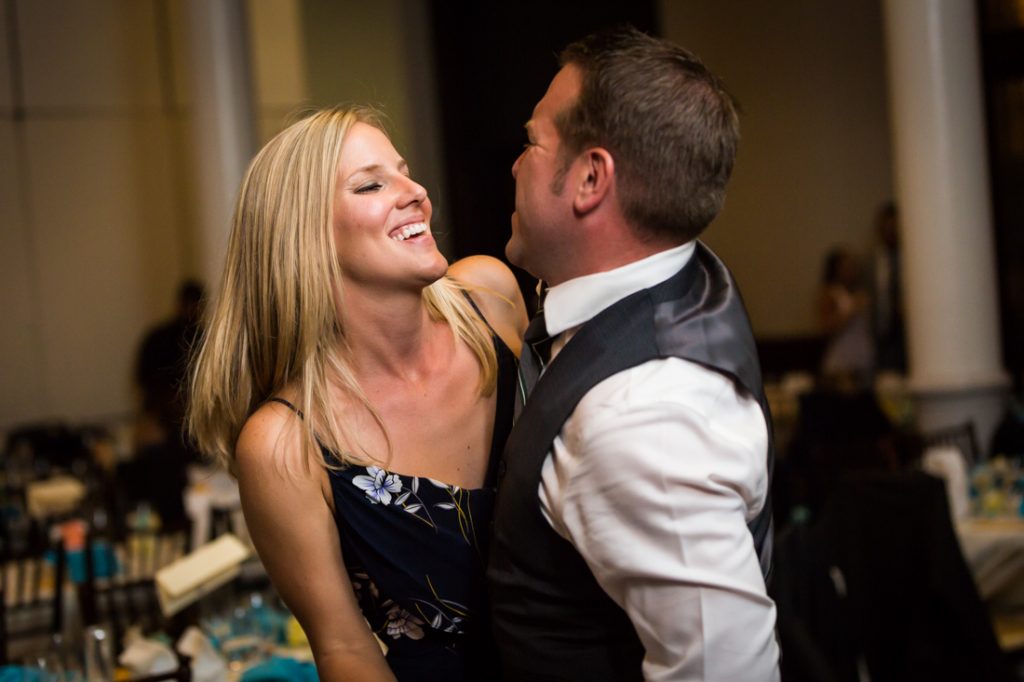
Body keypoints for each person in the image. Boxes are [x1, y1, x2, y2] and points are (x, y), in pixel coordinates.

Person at [186, 106, 527, 680]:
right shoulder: (285, 442)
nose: (417, 191)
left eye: (405, 171)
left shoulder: (491, 299)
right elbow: (345, 646)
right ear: (306, 236)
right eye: (371, 184)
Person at [488, 27, 780, 680]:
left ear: (590, 178)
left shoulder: (642, 416)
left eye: (533, 143)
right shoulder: (680, 277)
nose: (515, 163)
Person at [817, 246, 874, 390]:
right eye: (846, 266)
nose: (851, 270)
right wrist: (852, 311)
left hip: (864, 355)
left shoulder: (862, 292)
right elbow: (825, 328)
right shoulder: (831, 293)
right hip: (843, 359)